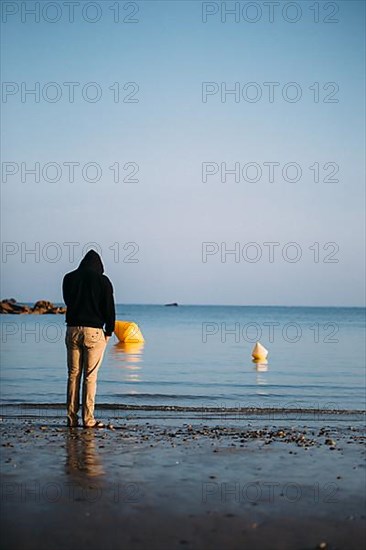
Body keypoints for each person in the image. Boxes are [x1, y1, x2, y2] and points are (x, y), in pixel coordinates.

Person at [62, 250, 115, 428]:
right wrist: (109, 331)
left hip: (72, 330)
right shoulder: (103, 281)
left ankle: (71, 418)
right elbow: (109, 308)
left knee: (73, 375)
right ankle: (88, 419)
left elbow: (69, 301)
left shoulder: (68, 278)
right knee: (90, 377)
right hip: (93, 332)